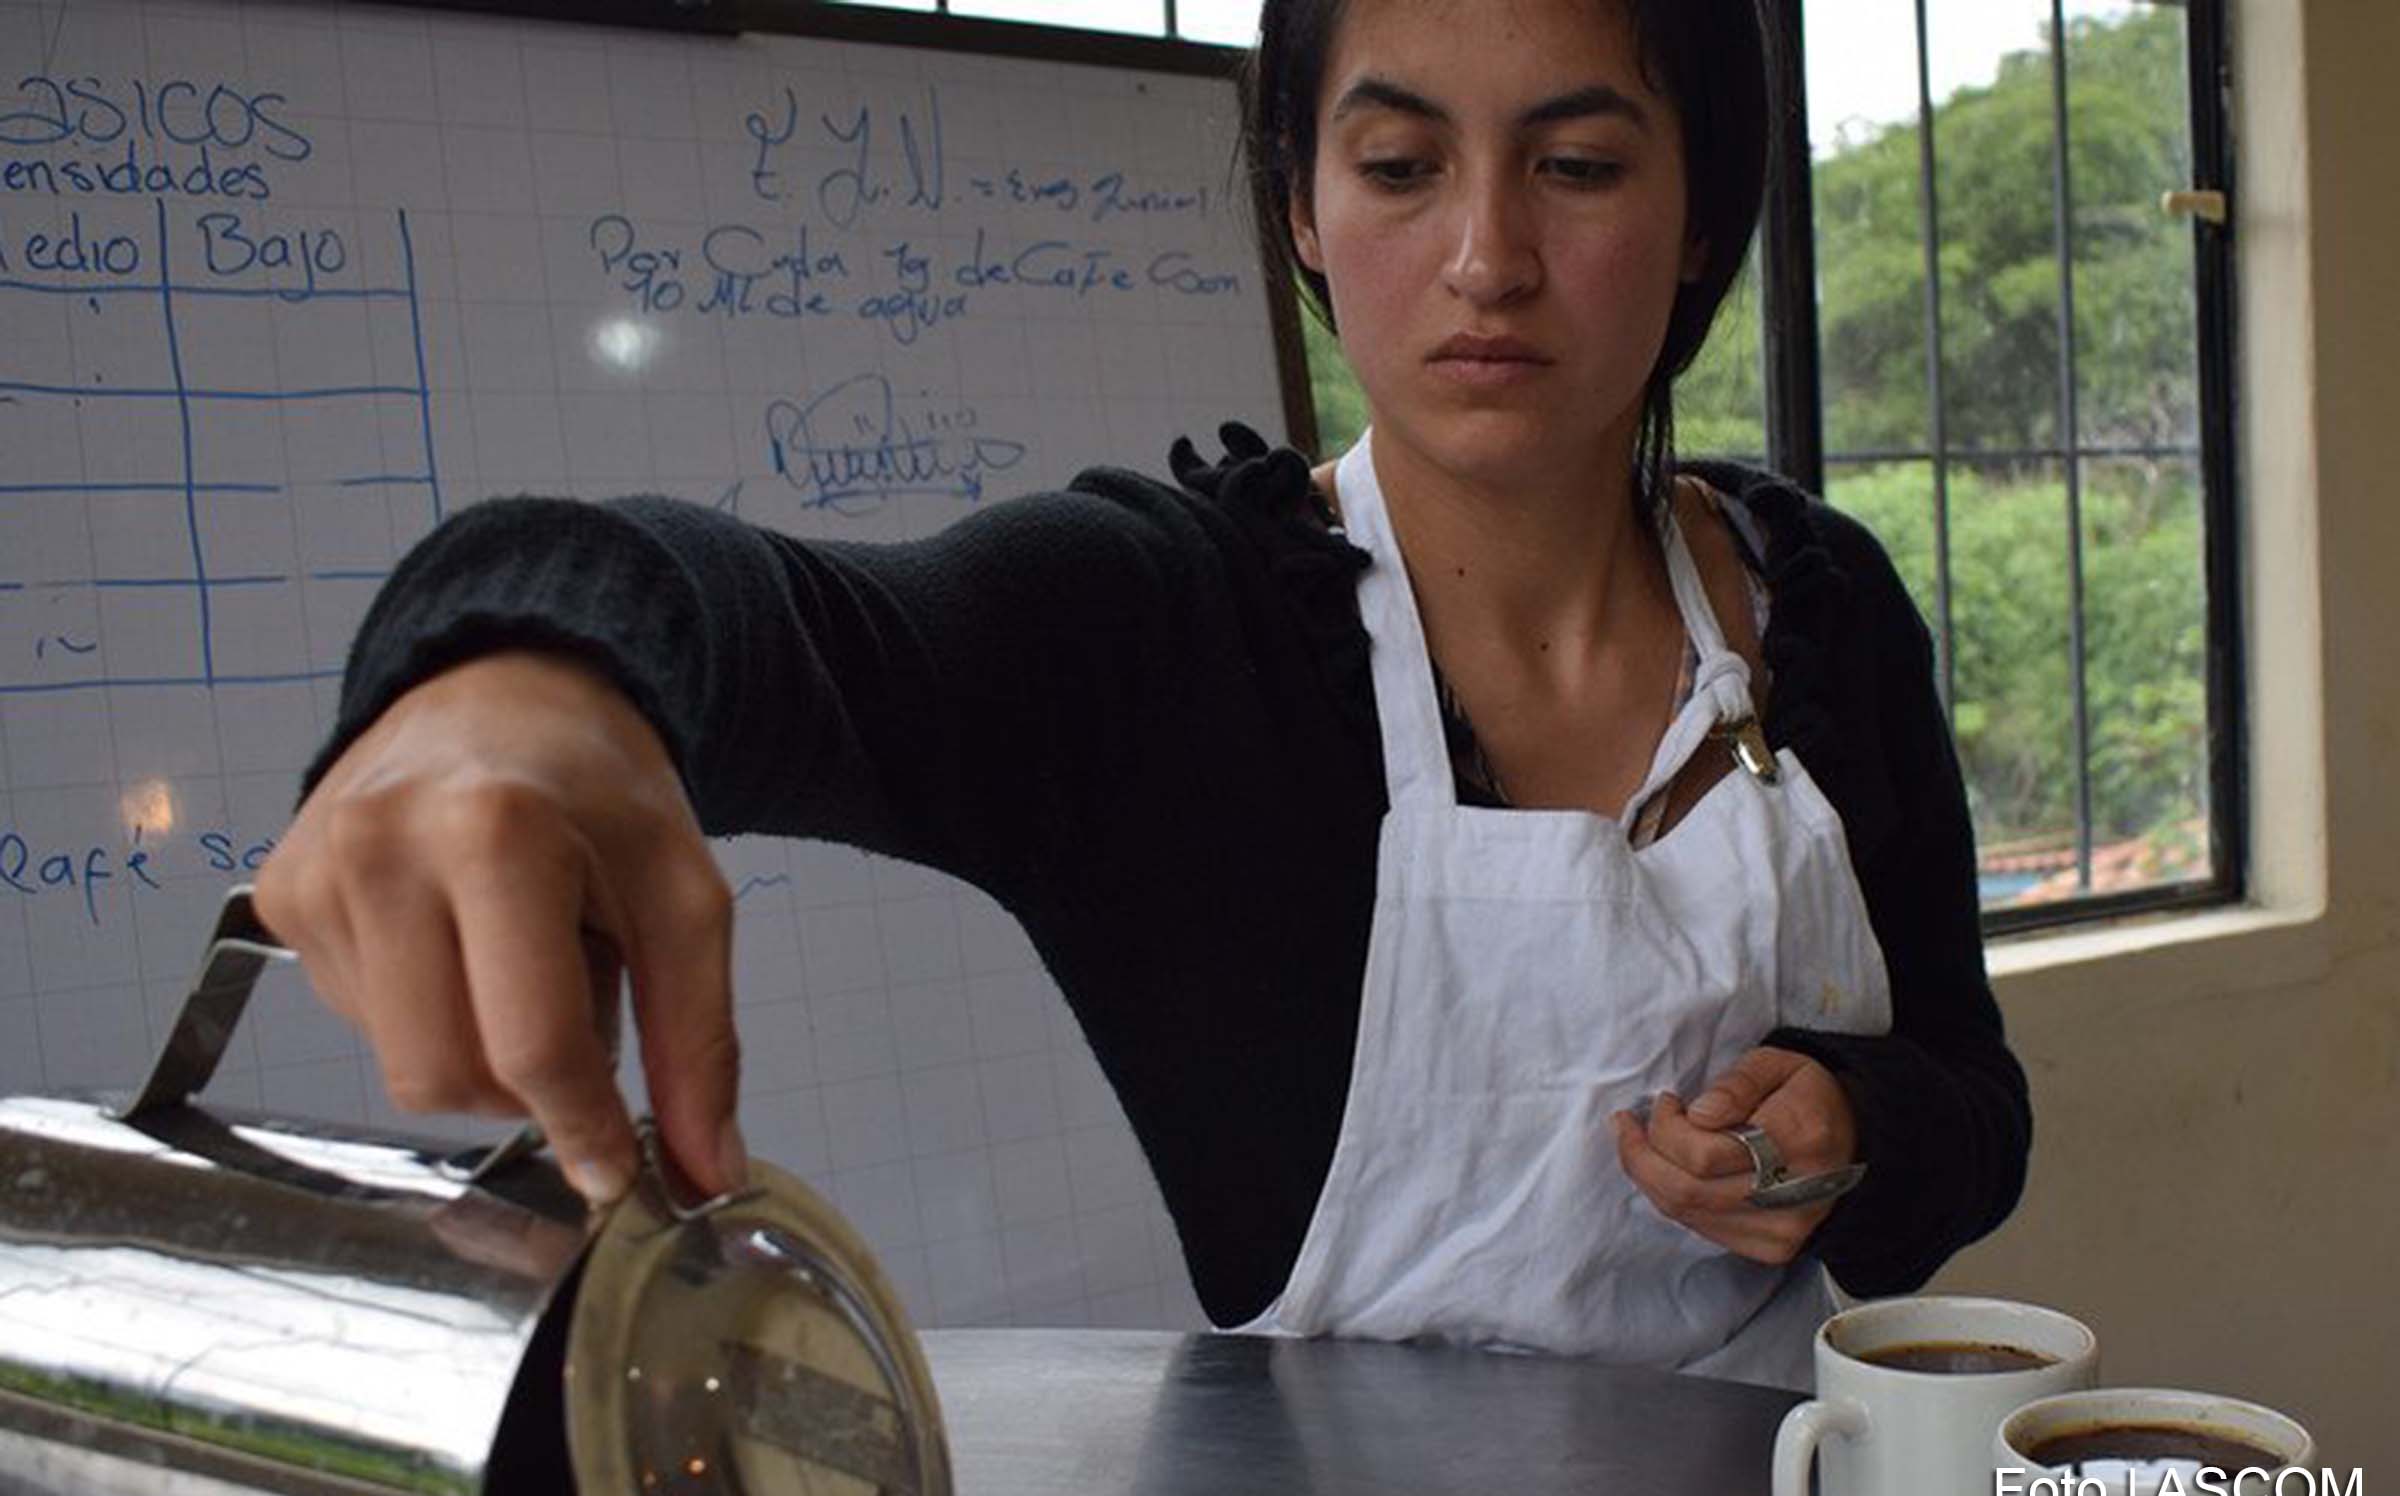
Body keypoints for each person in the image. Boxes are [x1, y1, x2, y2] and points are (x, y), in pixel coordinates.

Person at [255, 0, 2027, 1388]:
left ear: (1706, 208)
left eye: (1577, 166)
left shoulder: (1823, 608)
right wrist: (517, 680)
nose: (1487, 256)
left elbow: (1977, 1103)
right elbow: (777, 615)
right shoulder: (1166, 635)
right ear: (1304, 214)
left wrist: (1862, 1132)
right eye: (1401, 166)